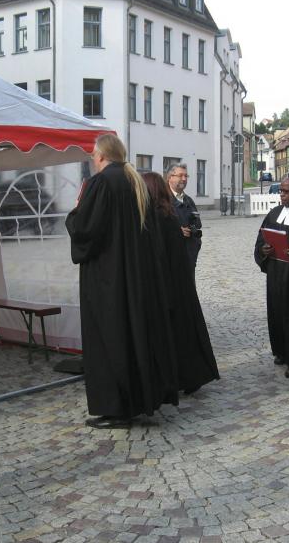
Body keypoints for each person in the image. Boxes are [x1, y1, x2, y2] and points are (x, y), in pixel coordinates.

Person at [66, 134, 178, 429]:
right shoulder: (135, 182)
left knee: (111, 338)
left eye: (94, 155)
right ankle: (138, 400)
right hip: (136, 277)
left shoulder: (101, 183)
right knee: (133, 336)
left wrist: (75, 213)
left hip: (109, 279)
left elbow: (85, 230)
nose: (93, 159)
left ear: (102, 156)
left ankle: (116, 408)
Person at [142, 171, 219, 394]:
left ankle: (180, 378)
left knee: (176, 334)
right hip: (179, 283)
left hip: (170, 285)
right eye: (179, 175)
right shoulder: (167, 215)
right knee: (183, 332)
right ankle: (191, 376)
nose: (183, 179)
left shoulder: (159, 218)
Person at [253, 175, 289, 378]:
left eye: (287, 192)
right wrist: (264, 249)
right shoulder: (274, 213)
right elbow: (261, 239)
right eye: (281, 191)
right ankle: (281, 350)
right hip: (276, 272)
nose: (282, 195)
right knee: (277, 312)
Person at [167, 163, 201, 276]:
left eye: (186, 176)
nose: (184, 179)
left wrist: (195, 246)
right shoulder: (162, 200)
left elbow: (197, 225)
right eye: (180, 175)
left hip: (189, 259)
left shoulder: (189, 201)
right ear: (170, 177)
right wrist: (176, 231)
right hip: (171, 261)